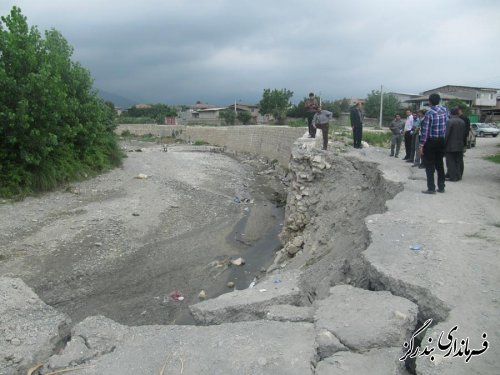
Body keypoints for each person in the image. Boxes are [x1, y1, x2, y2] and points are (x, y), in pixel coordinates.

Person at [418, 93, 449, 194]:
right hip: (441, 141)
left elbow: (425, 131)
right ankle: (441, 187)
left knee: (430, 165)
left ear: (430, 101)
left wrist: (421, 145)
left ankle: (431, 188)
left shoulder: (429, 113)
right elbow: (446, 125)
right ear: (439, 100)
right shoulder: (445, 110)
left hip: (431, 142)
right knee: (439, 164)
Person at [445, 107, 466, 181]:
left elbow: (446, 134)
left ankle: (453, 177)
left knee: (450, 161)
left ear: (450, 113)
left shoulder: (449, 121)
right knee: (459, 161)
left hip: (451, 145)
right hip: (460, 144)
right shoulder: (462, 121)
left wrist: (444, 143)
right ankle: (459, 175)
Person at [458, 105, 470, 178]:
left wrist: (460, 138)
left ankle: (460, 173)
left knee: (459, 158)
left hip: (461, 141)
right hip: (456, 141)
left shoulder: (465, 118)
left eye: (458, 110)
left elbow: (466, 131)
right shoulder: (456, 118)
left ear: (461, 110)